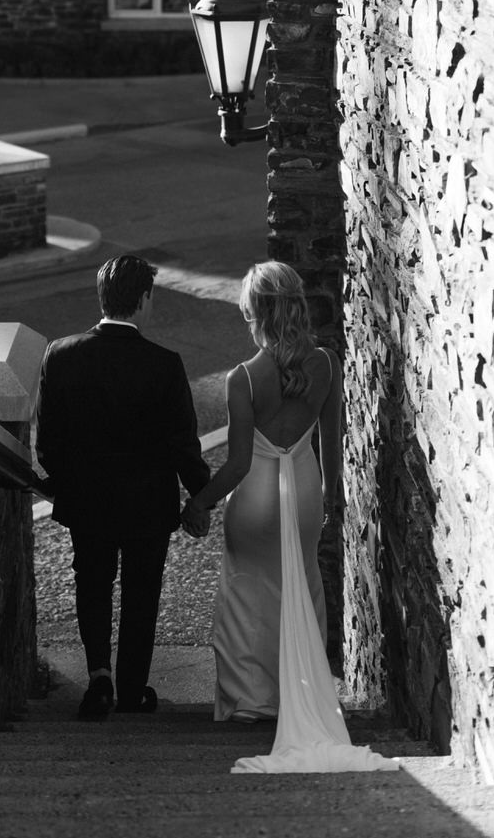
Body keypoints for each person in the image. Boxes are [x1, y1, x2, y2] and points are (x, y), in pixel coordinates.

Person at [182, 261, 398, 774]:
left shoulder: (243, 378)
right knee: (298, 586)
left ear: (257, 312)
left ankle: (250, 702)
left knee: (246, 592)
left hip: (254, 493)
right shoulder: (325, 365)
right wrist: (333, 500)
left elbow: (236, 464)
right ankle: (294, 694)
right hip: (302, 490)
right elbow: (330, 446)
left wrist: (199, 502)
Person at [35, 253, 211, 721]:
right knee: (141, 591)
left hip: (87, 499)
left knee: (91, 584)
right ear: (144, 299)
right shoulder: (164, 365)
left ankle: (98, 676)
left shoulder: (61, 354)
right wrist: (202, 496)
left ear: (103, 297)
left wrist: (61, 484)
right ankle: (132, 688)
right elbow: (182, 445)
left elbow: (48, 441)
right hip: (146, 504)